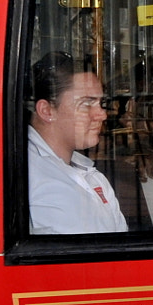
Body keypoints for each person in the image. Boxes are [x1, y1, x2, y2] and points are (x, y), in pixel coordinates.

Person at [27, 52, 127, 234]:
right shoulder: (25, 176)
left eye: (100, 102)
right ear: (47, 110)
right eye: (87, 103)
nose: (102, 115)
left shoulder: (93, 176)